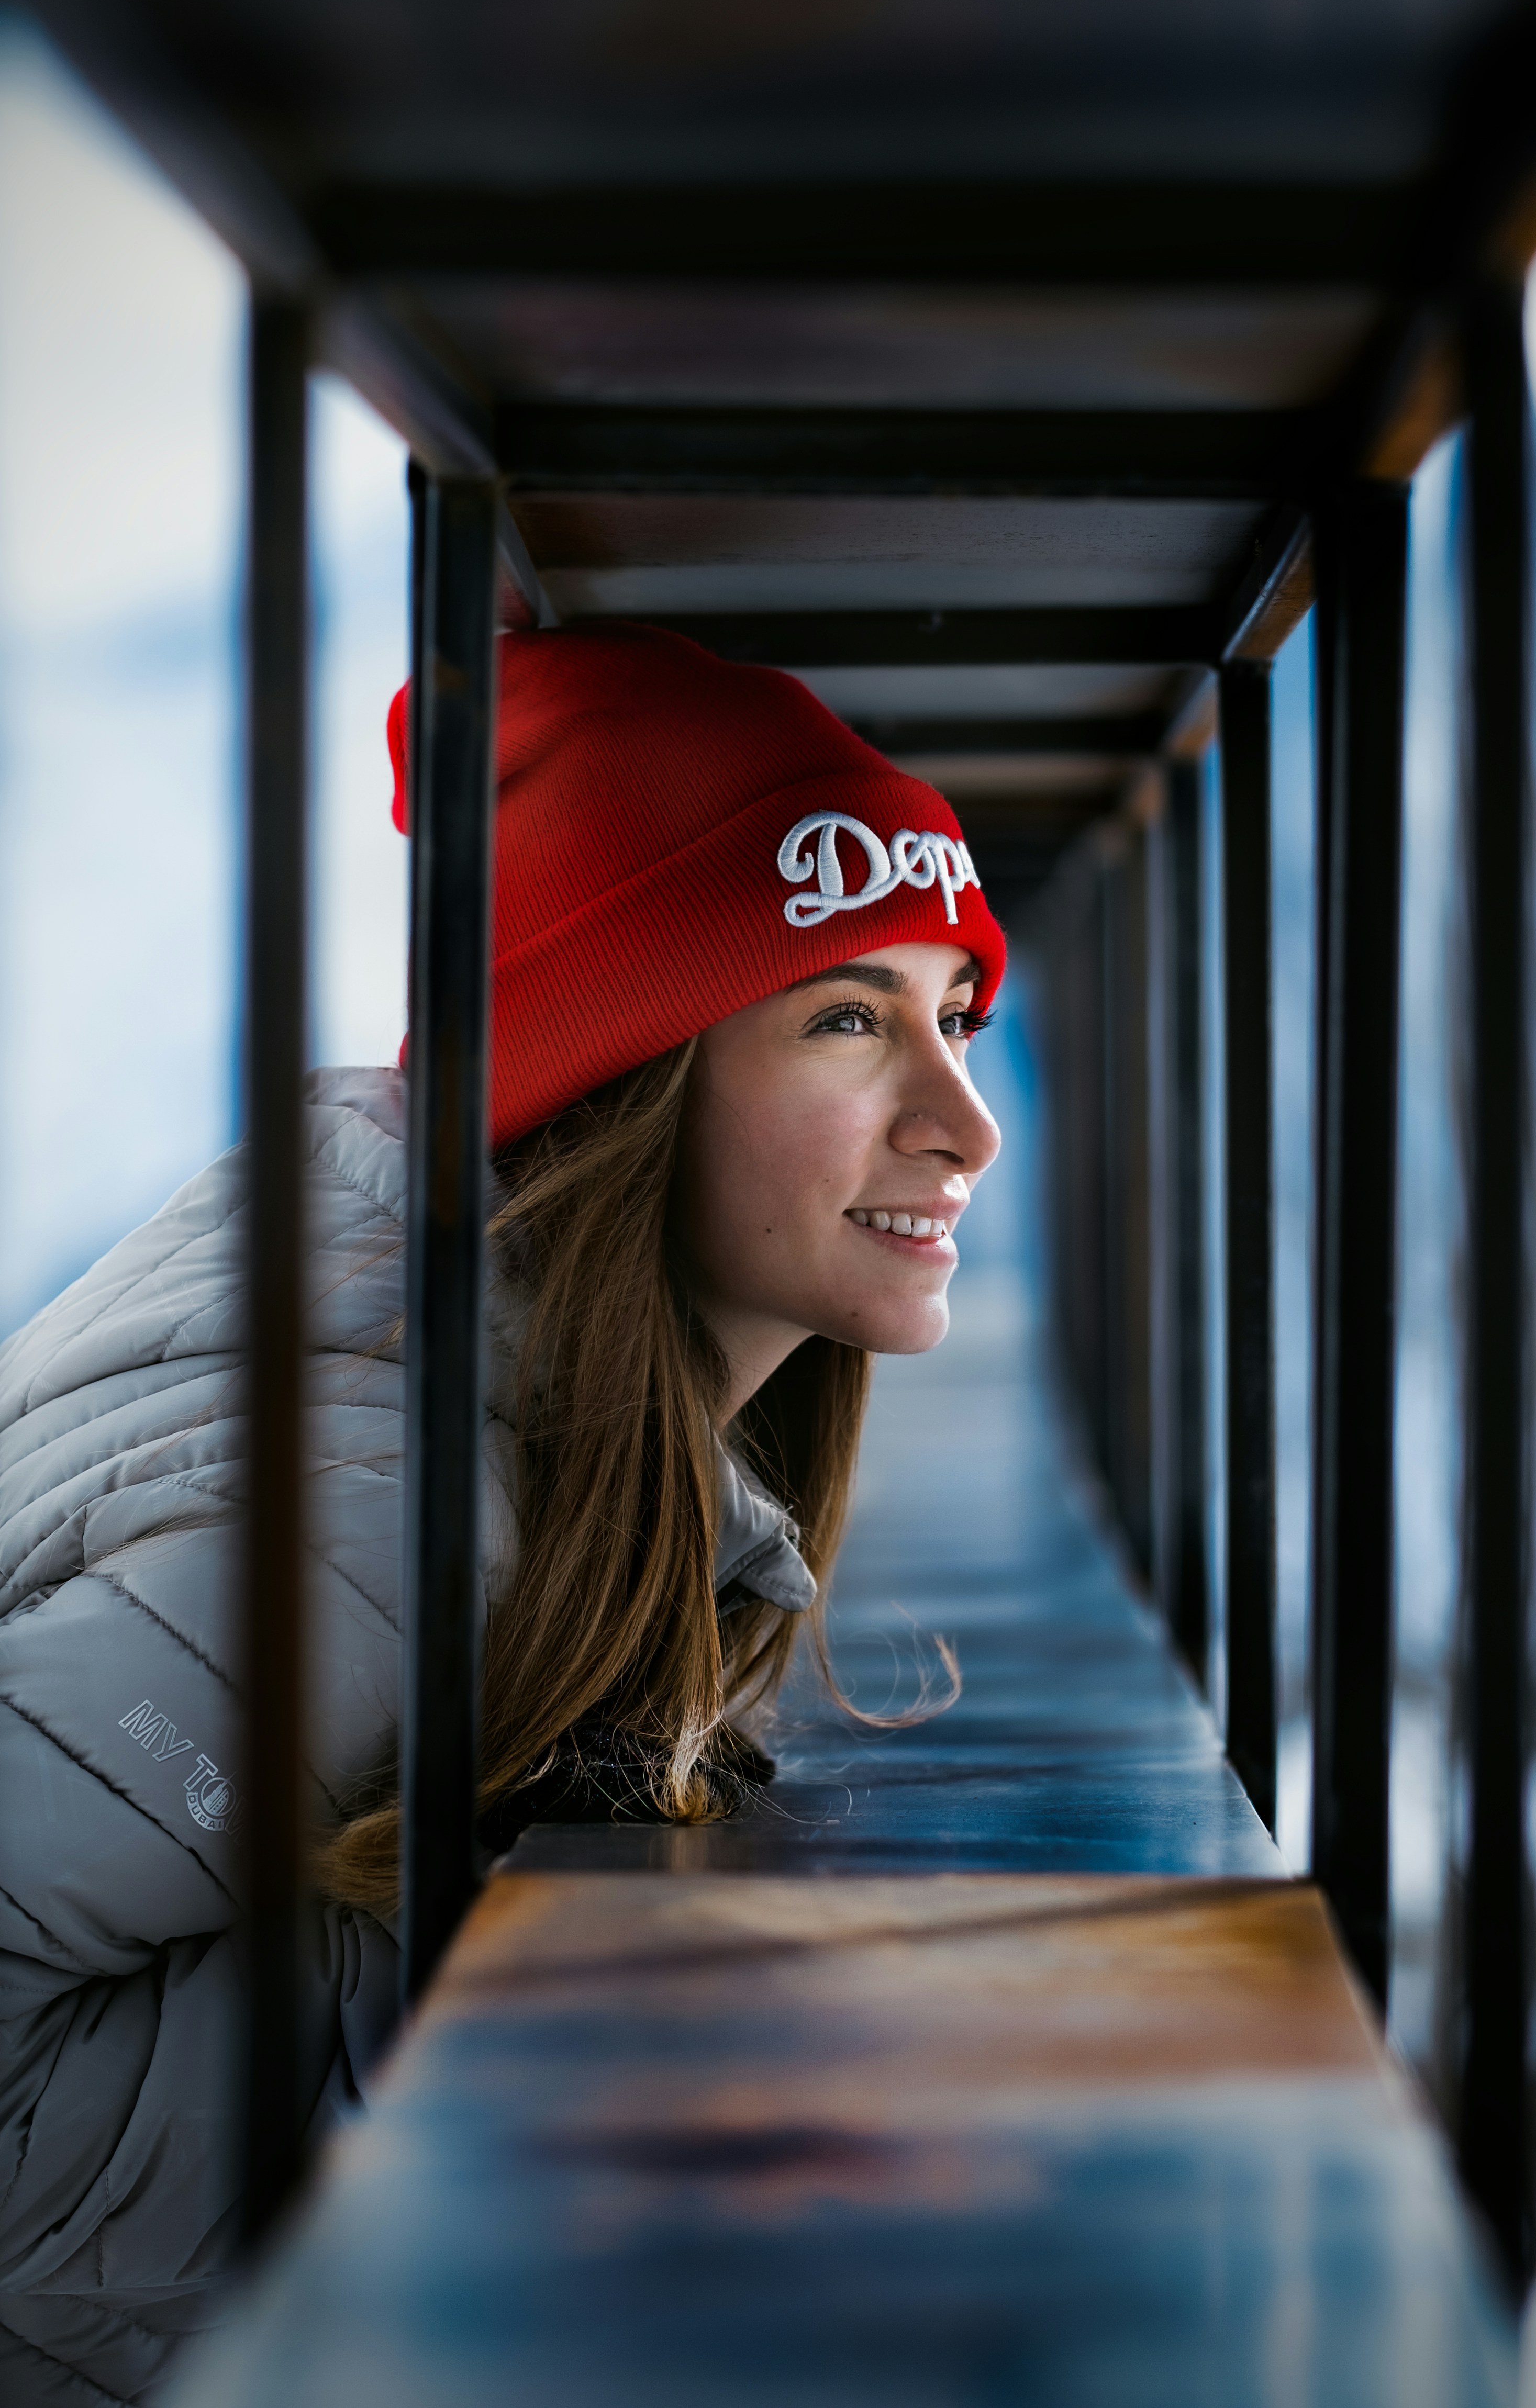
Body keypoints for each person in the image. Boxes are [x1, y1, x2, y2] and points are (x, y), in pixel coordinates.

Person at [0, 623, 1005, 2400]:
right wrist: (492, 2040)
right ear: (626, 1073)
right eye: (850, 1020)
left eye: (956, 1017)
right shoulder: (391, 1522)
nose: (965, 1123)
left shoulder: (536, 1434)